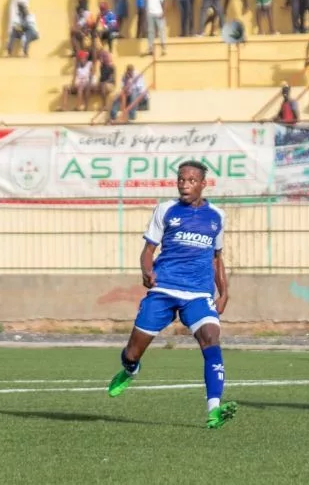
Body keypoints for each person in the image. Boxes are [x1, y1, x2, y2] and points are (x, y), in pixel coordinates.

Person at [107, 161, 236, 429]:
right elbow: (147, 251)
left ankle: (214, 409)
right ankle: (131, 369)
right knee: (132, 353)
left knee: (211, 339)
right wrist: (146, 271)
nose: (184, 184)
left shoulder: (217, 216)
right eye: (181, 180)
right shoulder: (165, 210)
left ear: (203, 184)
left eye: (190, 180)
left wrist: (224, 292)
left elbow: (216, 259)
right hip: (164, 288)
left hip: (199, 293)